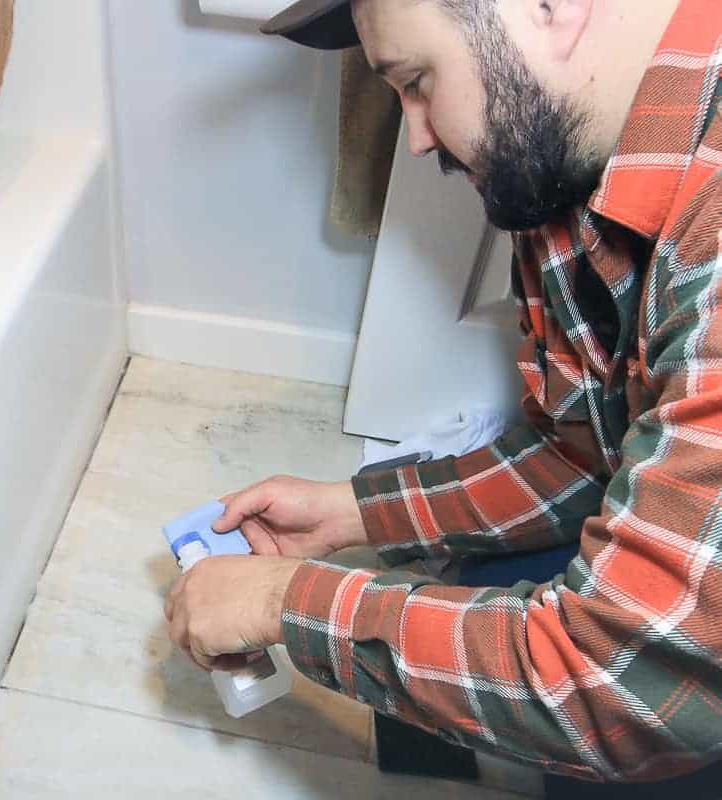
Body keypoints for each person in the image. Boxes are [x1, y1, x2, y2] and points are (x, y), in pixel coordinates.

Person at [163, 0, 722, 789]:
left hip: (650, 693)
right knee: (465, 601)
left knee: (594, 748)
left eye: (417, 81)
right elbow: (584, 453)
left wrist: (284, 602)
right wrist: (353, 513)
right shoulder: (565, 177)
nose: (418, 135)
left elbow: (622, 685)